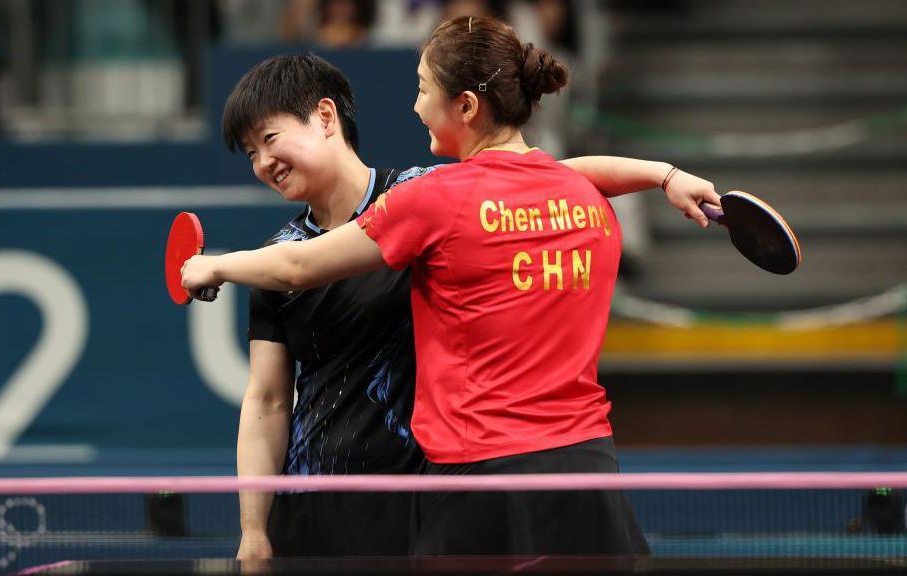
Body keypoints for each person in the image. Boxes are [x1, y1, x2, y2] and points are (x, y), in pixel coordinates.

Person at [216, 41, 720, 558]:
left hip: (423, 492)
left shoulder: (429, 194)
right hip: (318, 503)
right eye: (251, 152)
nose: (263, 162)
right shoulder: (272, 261)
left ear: (325, 116)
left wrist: (664, 175)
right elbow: (267, 400)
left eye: (269, 139)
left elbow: (548, 175)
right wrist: (253, 528)